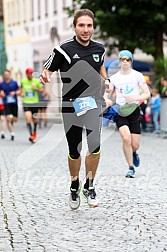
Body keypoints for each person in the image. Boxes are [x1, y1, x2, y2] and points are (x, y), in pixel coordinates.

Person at [40, 9, 109, 210]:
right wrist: (45, 75)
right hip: (71, 106)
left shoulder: (99, 49)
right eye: (82, 25)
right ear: (74, 27)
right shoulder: (64, 50)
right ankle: (74, 185)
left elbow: (101, 66)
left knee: (95, 146)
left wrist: (107, 80)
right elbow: (47, 68)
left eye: (89, 25)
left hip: (94, 104)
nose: (86, 29)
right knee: (74, 150)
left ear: (93, 27)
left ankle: (89, 186)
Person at [104, 50, 150, 178]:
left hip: (134, 110)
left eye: (127, 59)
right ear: (119, 61)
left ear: (131, 61)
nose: (125, 62)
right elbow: (107, 93)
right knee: (126, 138)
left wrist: (135, 97)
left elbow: (147, 93)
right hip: (120, 111)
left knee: (135, 144)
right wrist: (106, 99)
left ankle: (134, 152)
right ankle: (130, 167)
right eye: (122, 59)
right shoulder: (114, 78)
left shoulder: (138, 76)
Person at [20, 68, 43, 143]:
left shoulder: (36, 81)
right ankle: (31, 135)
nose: (30, 75)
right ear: (26, 74)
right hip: (26, 103)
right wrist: (21, 93)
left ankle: (35, 131)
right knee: (28, 118)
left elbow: (42, 90)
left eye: (31, 73)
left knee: (35, 119)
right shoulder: (23, 81)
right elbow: (20, 89)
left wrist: (35, 88)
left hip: (34, 103)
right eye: (29, 73)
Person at [0, 69, 20, 140]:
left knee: (14, 119)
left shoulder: (14, 83)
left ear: (10, 75)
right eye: (5, 75)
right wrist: (1, 93)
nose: (6, 76)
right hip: (6, 103)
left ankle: (12, 122)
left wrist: (14, 93)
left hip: (14, 103)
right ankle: (12, 133)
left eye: (7, 75)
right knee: (8, 119)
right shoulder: (1, 84)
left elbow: (19, 91)